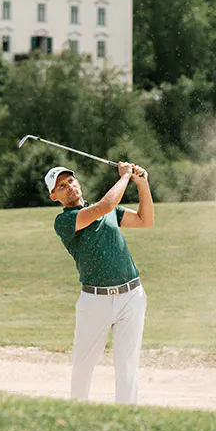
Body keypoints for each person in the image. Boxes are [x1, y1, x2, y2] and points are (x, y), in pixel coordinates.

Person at [46, 161, 154, 405]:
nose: (69, 187)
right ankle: (77, 414)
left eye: (70, 181)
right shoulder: (64, 221)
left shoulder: (109, 212)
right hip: (95, 301)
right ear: (54, 196)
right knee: (84, 364)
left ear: (78, 182)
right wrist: (126, 176)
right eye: (61, 186)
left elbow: (144, 219)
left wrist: (143, 185)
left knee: (127, 364)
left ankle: (126, 417)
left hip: (131, 296)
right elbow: (107, 204)